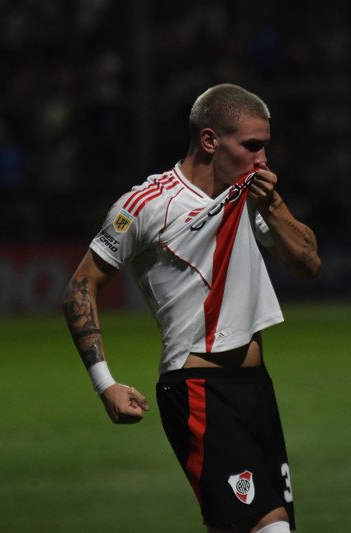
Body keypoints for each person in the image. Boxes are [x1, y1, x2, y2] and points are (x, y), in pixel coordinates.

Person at [63, 83, 320, 532]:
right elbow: (81, 287)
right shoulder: (145, 205)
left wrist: (274, 203)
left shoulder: (249, 195)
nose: (262, 160)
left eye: (265, 148)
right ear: (209, 141)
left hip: (255, 389)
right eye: (252, 147)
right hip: (199, 389)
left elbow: (307, 262)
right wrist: (104, 384)